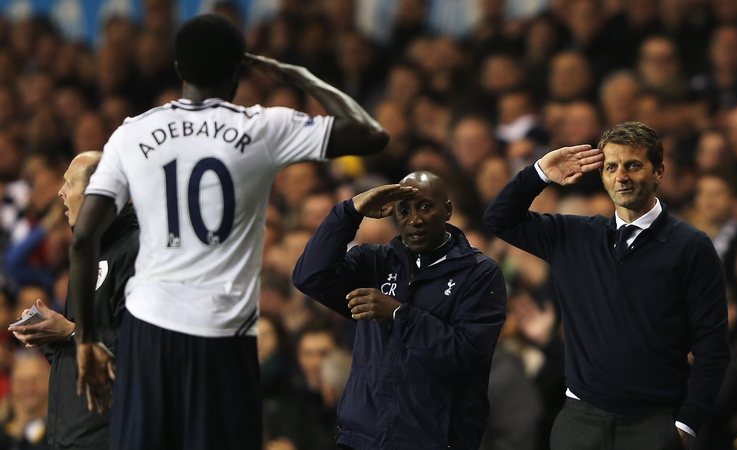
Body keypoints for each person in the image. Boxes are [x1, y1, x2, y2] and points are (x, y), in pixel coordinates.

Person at [68, 14, 388, 450]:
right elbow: (372, 134)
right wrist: (302, 76)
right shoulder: (263, 127)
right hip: (223, 333)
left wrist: (86, 337)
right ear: (238, 71)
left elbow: (85, 237)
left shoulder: (132, 133)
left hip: (148, 328)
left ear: (179, 68)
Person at [484, 121, 730, 450]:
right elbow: (499, 218)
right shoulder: (572, 236)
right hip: (578, 424)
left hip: (654, 423)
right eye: (611, 167)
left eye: (633, 165)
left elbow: (712, 347)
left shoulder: (692, 247)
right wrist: (540, 172)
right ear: (602, 176)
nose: (621, 176)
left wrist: (687, 425)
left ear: (659, 172)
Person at [293, 171, 507, 449]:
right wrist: (350, 211)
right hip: (362, 437)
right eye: (403, 210)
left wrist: (398, 314)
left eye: (425, 206)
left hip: (434, 440)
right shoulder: (372, 262)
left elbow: (465, 356)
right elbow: (309, 277)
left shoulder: (479, 274)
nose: (414, 219)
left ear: (448, 210)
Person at [10, 151, 139, 450]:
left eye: (70, 183)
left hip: (109, 436)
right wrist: (52, 337)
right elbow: (81, 351)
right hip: (71, 436)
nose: (61, 192)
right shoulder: (88, 252)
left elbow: (138, 346)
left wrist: (69, 331)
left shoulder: (135, 251)